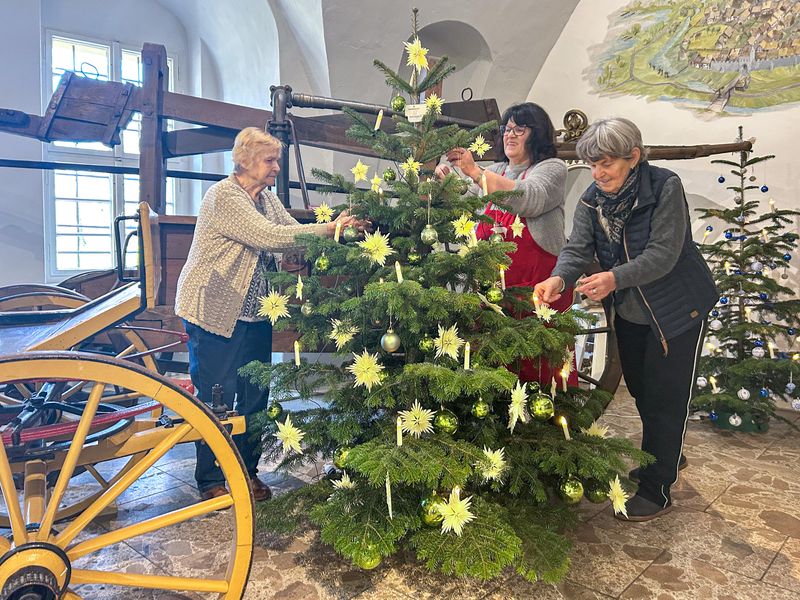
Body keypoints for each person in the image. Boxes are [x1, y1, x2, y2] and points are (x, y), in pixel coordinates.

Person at [535, 117, 718, 521]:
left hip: (677, 309)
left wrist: (614, 278)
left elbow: (663, 254)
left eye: (606, 164)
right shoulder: (593, 198)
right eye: (592, 165)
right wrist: (559, 278)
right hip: (633, 311)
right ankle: (665, 452)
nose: (598, 174)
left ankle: (657, 488)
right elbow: (577, 248)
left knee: (666, 397)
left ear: (633, 157)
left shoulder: (665, 187)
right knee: (642, 389)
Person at [175, 127, 362, 502]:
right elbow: (268, 236)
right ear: (245, 161)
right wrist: (330, 228)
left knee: (255, 394)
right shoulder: (224, 196)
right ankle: (210, 479)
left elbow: (292, 232)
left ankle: (247, 472)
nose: (276, 167)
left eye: (276, 160)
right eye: (270, 160)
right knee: (217, 397)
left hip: (254, 314)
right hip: (212, 310)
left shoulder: (266, 197)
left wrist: (341, 233)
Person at [437, 102, 577, 387]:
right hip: (493, 289)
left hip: (538, 285)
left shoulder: (552, 168)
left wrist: (476, 173)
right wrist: (447, 181)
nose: (510, 135)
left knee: (539, 361)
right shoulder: (496, 169)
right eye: (507, 129)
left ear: (537, 133)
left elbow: (530, 198)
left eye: (519, 129)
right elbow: (467, 201)